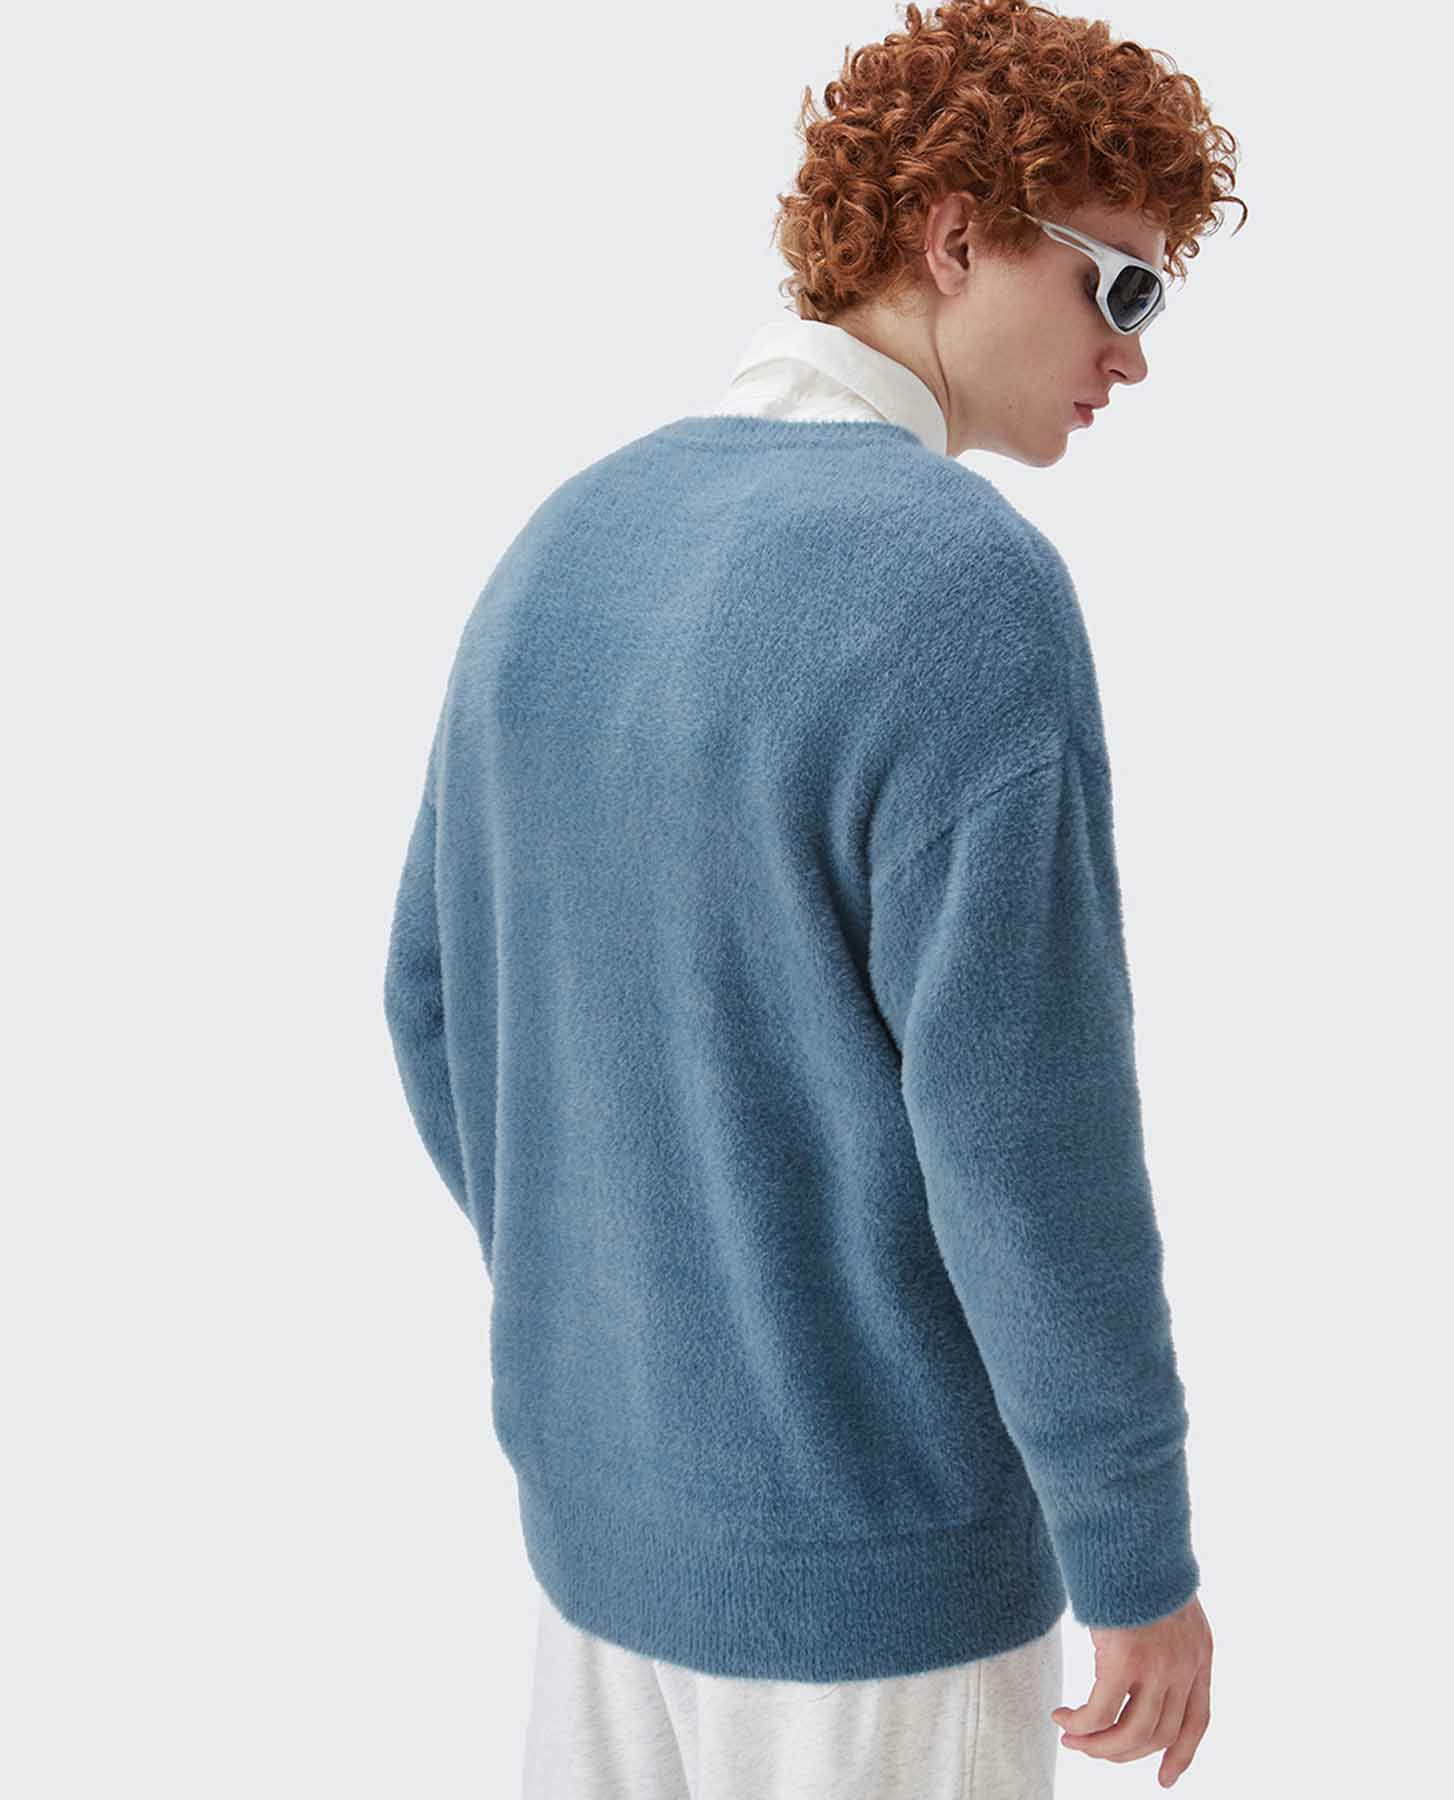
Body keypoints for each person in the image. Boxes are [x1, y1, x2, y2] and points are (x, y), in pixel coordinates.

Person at [382, 2, 1245, 1793]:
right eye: (1119, 287)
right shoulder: (963, 586)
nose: (1134, 355)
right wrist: (1136, 1556)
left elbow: (431, 1001)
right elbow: (1028, 1142)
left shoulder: (571, 536)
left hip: (599, 1544)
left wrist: (640, 1304)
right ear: (957, 235)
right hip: (878, 1573)